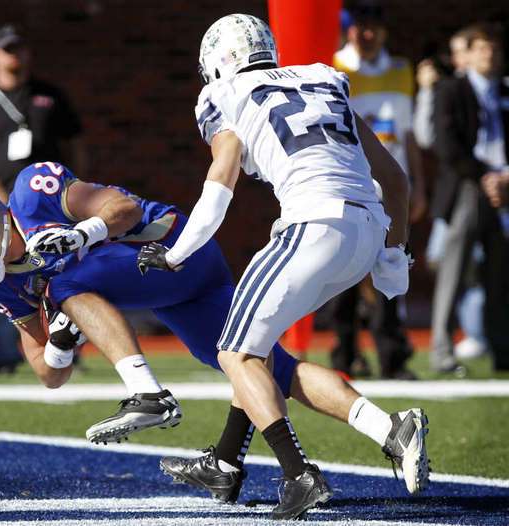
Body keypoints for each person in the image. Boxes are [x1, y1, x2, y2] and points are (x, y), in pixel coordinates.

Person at [0, 161, 428, 499]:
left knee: (64, 281)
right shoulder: (1, 289)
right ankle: (391, 429)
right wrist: (58, 342)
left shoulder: (33, 196)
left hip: (170, 246)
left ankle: (146, 394)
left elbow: (121, 207)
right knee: (261, 368)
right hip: (170, 292)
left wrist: (81, 232)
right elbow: (47, 374)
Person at [137, 13, 428, 520]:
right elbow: (396, 181)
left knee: (235, 354)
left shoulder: (224, 95)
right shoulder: (325, 77)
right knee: (257, 346)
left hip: (311, 227)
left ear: (219, 62)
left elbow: (220, 182)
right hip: (364, 231)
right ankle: (226, 461)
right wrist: (392, 255)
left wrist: (177, 251)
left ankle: (298, 474)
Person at [0, 24, 85, 374]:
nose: (14, 55)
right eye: (7, 49)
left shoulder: (48, 95)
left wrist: (75, 186)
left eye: (19, 48)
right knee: (0, 274)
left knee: (60, 269)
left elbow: (74, 141)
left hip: (48, 204)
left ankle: (71, 347)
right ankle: (6, 354)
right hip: (3, 208)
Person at [329, 1, 423, 379]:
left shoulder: (401, 71)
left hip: (391, 189)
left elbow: (410, 134)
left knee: (392, 270)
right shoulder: (332, 67)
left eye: (373, 27)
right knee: (343, 278)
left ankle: (393, 358)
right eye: (358, 26)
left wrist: (417, 184)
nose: (366, 34)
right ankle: (346, 354)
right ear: (347, 29)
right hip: (350, 184)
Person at [432, 23, 509, 372]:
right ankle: (443, 351)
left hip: (504, 189)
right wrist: (485, 176)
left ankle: (502, 350)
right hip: (467, 186)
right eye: (481, 47)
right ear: (470, 52)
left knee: (500, 273)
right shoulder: (451, 89)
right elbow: (446, 144)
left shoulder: (504, 91)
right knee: (454, 270)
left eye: (493, 48)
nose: (488, 54)